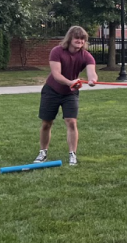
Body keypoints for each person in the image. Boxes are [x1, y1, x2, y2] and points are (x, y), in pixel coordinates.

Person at [35, 26, 98, 167]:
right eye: (77, 38)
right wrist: (70, 82)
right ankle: (43, 152)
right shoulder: (57, 51)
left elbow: (92, 72)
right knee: (46, 123)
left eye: (82, 39)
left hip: (70, 94)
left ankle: (72, 154)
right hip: (51, 90)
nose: (80, 41)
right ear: (70, 38)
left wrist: (92, 80)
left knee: (71, 121)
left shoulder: (86, 56)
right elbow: (56, 75)